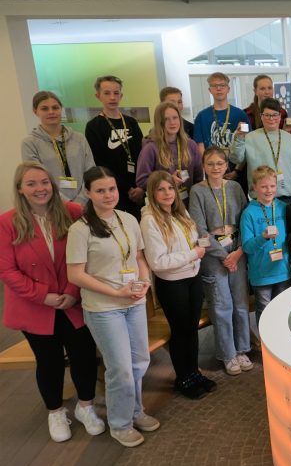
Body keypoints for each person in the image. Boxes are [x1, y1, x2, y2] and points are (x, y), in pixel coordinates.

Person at [0, 162, 103, 443]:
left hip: (73, 300)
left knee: (83, 355)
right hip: (34, 305)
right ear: (20, 189)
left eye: (44, 182)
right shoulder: (7, 223)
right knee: (49, 361)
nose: (40, 188)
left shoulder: (72, 213)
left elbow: (88, 256)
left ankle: (86, 407)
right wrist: (42, 295)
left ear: (52, 185)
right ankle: (55, 412)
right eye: (31, 184)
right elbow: (6, 270)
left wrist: (71, 291)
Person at [66, 166, 159, 448]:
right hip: (104, 307)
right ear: (87, 193)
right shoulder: (80, 229)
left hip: (134, 301)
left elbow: (140, 258)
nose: (108, 195)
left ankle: (135, 410)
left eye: (112, 189)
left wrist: (144, 282)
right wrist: (115, 291)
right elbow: (76, 275)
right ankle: (120, 424)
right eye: (100, 190)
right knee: (119, 368)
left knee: (140, 361)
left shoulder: (128, 219)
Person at [140, 171, 213, 399]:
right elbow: (158, 262)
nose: (167, 193)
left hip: (192, 277)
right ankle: (183, 377)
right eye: (161, 189)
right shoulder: (150, 220)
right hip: (172, 283)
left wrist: (201, 244)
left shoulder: (180, 212)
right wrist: (194, 253)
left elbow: (189, 243)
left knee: (192, 329)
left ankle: (194, 372)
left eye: (170, 188)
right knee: (180, 331)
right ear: (152, 193)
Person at [188, 147, 252, 377]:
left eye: (220, 163)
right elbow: (198, 229)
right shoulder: (197, 191)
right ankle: (228, 353)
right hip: (214, 254)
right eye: (210, 164)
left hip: (237, 249)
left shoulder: (235, 187)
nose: (216, 168)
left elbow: (247, 219)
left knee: (241, 303)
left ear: (227, 165)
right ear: (204, 166)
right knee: (221, 305)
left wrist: (238, 252)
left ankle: (243, 348)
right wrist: (223, 255)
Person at [84, 75, 144, 219]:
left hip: (138, 191)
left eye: (116, 93)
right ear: (98, 96)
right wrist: (126, 188)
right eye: (107, 93)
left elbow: (142, 156)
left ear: (121, 95)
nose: (112, 97)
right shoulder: (94, 126)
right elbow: (100, 163)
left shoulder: (131, 122)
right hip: (113, 191)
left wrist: (141, 187)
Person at [22, 91, 96, 207]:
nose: (51, 112)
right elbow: (37, 180)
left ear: (61, 109)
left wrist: (81, 201)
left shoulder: (79, 138)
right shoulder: (30, 143)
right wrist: (66, 204)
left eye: (55, 107)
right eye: (45, 108)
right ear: (35, 111)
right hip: (52, 205)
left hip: (84, 204)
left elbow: (91, 172)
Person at [240, 165, 291, 327]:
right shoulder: (249, 213)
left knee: (283, 311)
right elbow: (247, 247)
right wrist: (263, 237)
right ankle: (266, 348)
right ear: (254, 187)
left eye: (272, 186)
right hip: (261, 274)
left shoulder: (284, 208)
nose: (268, 190)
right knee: (265, 313)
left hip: (282, 270)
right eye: (263, 186)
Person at [230, 97, 291, 202]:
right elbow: (236, 159)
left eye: (274, 115)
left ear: (280, 117)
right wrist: (239, 138)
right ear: (261, 116)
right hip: (260, 195)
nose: (271, 118)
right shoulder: (250, 137)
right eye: (267, 115)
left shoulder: (289, 138)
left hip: (286, 195)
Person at [192, 72, 250, 192]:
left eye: (222, 85)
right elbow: (200, 147)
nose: (219, 89)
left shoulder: (240, 115)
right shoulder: (202, 116)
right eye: (214, 86)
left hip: (236, 174)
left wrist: (236, 170)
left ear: (228, 89)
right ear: (209, 90)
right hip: (212, 174)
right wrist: (212, 170)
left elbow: (247, 145)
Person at [136, 102, 203, 202]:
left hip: (189, 203)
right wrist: (167, 181)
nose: (172, 122)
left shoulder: (191, 145)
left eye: (175, 118)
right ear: (160, 122)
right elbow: (142, 181)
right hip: (163, 205)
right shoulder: (150, 148)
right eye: (166, 119)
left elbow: (198, 178)